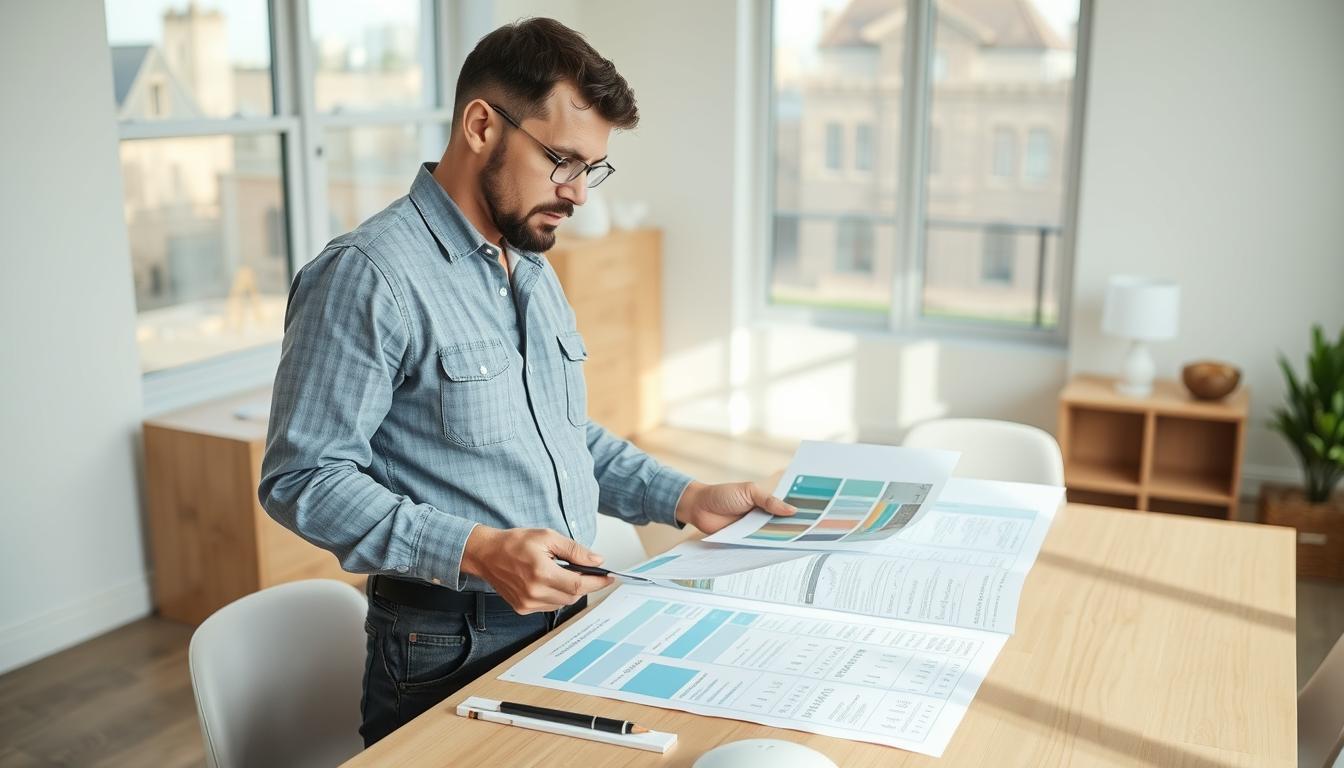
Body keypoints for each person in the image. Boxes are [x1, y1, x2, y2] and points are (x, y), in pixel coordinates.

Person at [258, 17, 795, 747]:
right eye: (562, 161)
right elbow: (304, 477)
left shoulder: (529, 269)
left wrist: (688, 498)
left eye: (591, 169)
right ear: (481, 124)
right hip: (448, 645)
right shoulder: (367, 276)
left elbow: (561, 435)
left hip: (573, 620)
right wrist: (474, 549)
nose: (578, 194)